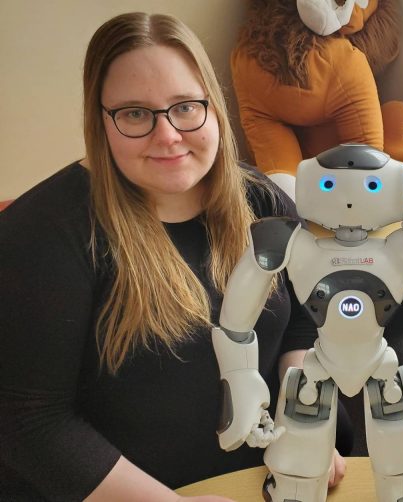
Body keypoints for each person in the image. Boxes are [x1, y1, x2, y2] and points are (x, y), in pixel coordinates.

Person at [0, 12, 350, 501]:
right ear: (101, 121)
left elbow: (301, 326)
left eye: (185, 107)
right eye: (135, 114)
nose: (167, 136)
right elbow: (29, 423)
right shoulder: (44, 234)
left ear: (213, 105)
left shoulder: (263, 201)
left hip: (262, 483)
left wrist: (303, 417)